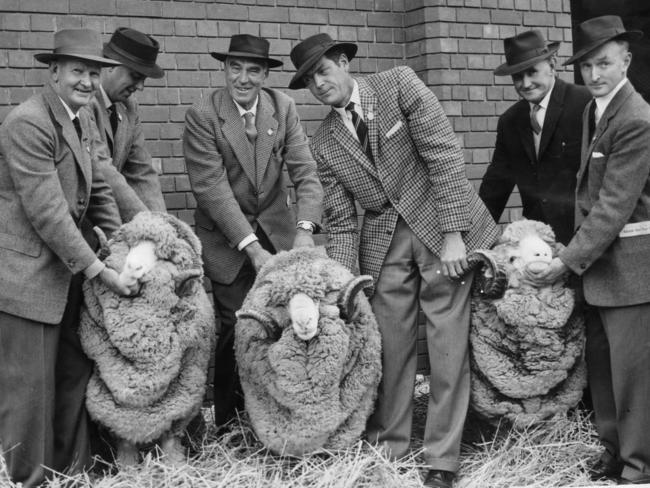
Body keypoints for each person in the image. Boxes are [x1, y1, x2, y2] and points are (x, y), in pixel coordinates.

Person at [288, 33, 499, 488]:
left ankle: (442, 459)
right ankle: (392, 447)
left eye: (323, 71)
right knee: (390, 346)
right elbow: (342, 221)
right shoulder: (324, 140)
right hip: (384, 242)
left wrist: (454, 235)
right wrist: (343, 285)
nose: (318, 84)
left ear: (344, 62)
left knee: (446, 344)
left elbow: (444, 157)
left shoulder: (399, 84)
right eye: (308, 81)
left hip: (440, 223)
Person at [0, 29, 131, 487]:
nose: (87, 81)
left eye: (94, 72)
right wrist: (99, 269)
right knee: (30, 391)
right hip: (29, 277)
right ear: (53, 72)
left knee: (72, 376)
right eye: (78, 70)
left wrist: (118, 250)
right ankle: (28, 479)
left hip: (71, 275)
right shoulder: (27, 122)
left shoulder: (84, 120)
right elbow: (49, 213)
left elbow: (98, 192)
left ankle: (71, 473)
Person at [183, 34, 323, 427]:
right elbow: (211, 187)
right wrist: (251, 246)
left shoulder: (283, 107)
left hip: (278, 236)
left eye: (253, 70)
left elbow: (305, 172)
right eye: (235, 68)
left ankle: (275, 419)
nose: (243, 78)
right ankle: (231, 423)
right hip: (227, 240)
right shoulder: (204, 112)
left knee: (283, 324)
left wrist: (305, 228)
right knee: (237, 325)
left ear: (265, 75)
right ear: (224, 69)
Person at [534, 15, 650, 485]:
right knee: (601, 369)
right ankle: (614, 453)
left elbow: (612, 207)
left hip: (631, 270)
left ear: (626, 58)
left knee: (633, 377)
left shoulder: (637, 118)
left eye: (604, 63)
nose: (594, 74)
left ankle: (640, 467)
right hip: (598, 267)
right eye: (585, 67)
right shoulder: (593, 111)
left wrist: (565, 260)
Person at [479, 30, 591, 245]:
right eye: (518, 76)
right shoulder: (509, 121)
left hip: (584, 240)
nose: (526, 83)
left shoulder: (585, 103)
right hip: (538, 244)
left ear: (552, 64)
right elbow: (495, 187)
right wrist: (471, 240)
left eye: (532, 72)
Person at [85, 27, 166, 221]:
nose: (140, 86)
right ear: (110, 65)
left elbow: (142, 172)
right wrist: (149, 224)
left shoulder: (129, 106)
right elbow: (103, 170)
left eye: (143, 79)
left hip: (109, 224)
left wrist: (164, 224)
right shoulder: (84, 102)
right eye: (136, 76)